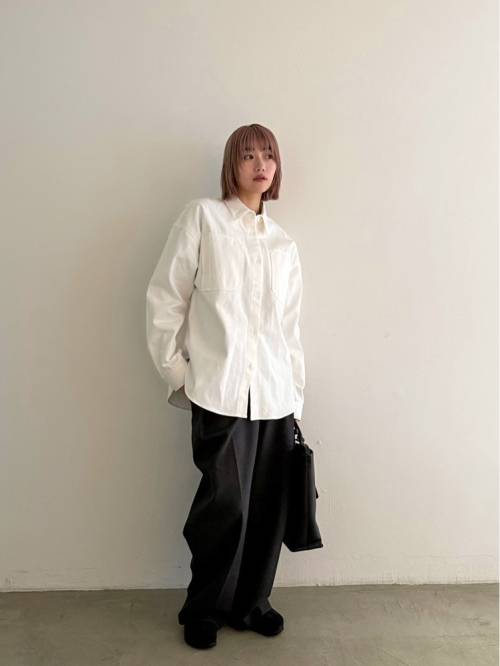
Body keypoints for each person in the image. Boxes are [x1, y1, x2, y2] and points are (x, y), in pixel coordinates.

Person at [146, 123, 305, 649]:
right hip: (218, 391)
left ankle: (252, 602)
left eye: (268, 156)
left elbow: (289, 329)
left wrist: (296, 395)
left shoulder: (283, 245)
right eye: (248, 155)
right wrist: (178, 374)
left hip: (275, 396)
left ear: (277, 168)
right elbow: (165, 297)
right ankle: (205, 607)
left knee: (267, 507)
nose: (260, 165)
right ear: (231, 165)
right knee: (224, 505)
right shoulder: (203, 219)